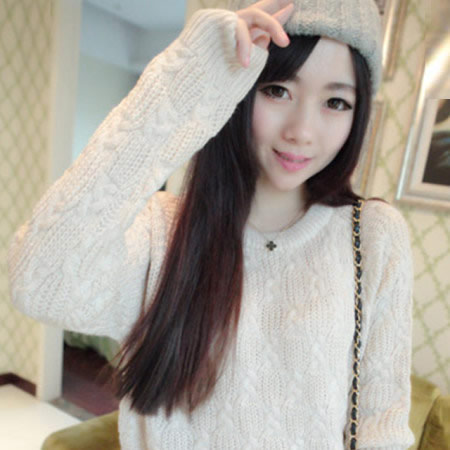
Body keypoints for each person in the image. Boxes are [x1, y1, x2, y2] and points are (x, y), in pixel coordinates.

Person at [7, 0, 416, 448]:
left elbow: (383, 424)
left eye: (336, 102)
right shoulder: (162, 232)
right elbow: (39, 282)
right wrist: (187, 84)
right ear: (240, 87)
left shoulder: (373, 236)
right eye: (277, 90)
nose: (302, 130)